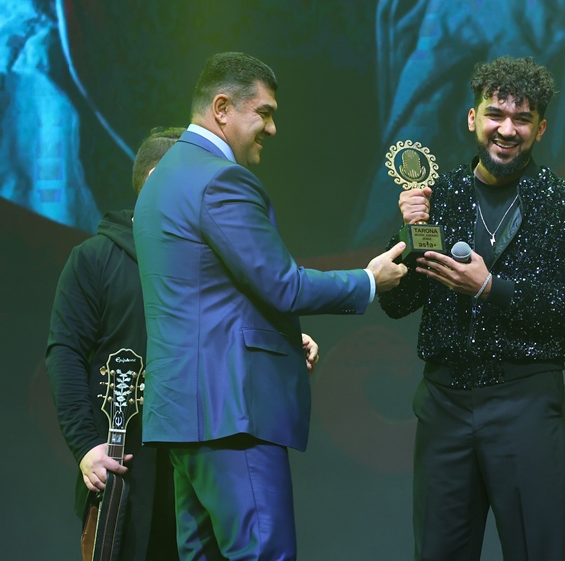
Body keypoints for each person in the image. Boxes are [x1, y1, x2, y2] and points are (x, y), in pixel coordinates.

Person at [132, 52, 408, 560]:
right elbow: (282, 284)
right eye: (264, 112)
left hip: (182, 414)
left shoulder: (164, 177)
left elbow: (203, 295)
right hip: (231, 412)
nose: (273, 128)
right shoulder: (220, 179)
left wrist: (280, 337)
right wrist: (368, 282)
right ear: (222, 108)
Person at [379, 55, 565, 561]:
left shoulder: (564, 205)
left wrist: (490, 288)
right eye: (495, 114)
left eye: (522, 119)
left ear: (540, 128)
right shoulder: (439, 198)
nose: (506, 129)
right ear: (472, 118)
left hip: (525, 400)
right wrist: (409, 233)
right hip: (444, 402)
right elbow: (398, 304)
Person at [46, 126, 184, 560]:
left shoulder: (204, 262)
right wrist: (86, 446)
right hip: (125, 472)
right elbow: (64, 352)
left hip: (195, 473)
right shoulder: (94, 259)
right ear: (158, 179)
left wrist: (288, 339)